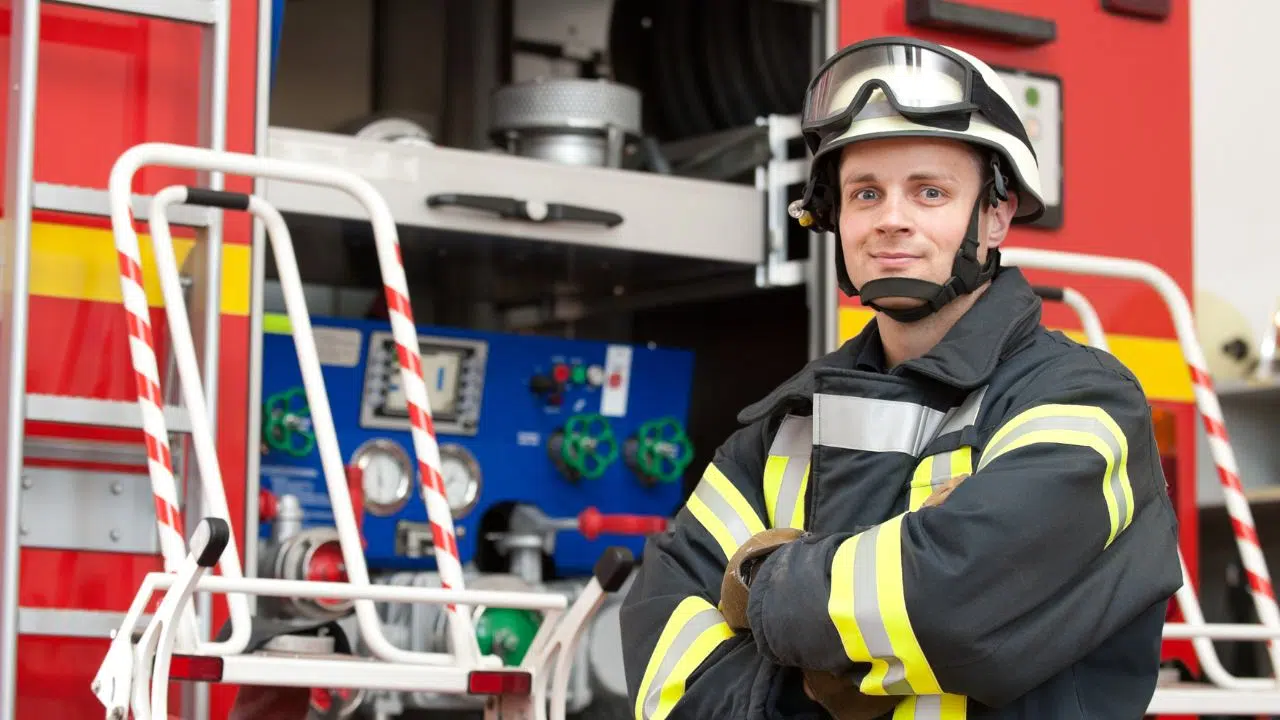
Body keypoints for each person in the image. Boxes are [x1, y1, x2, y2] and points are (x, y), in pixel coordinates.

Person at [619, 35, 1183, 720]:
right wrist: (804, 687)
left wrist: (761, 579)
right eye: (866, 193)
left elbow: (951, 606)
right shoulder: (787, 424)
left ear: (996, 215)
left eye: (929, 192)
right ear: (834, 217)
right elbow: (661, 639)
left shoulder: (1081, 401)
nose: (891, 220)